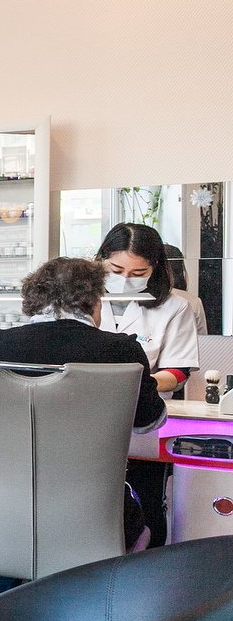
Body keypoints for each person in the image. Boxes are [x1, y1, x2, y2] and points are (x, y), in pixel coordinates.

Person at [0, 257, 164, 593]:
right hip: (91, 517)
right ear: (95, 301)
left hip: (3, 512)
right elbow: (149, 422)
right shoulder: (121, 350)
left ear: (34, 298)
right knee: (149, 511)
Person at [95, 223, 200, 548]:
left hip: (144, 423)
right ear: (100, 260)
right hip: (87, 419)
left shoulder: (174, 307)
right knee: (94, 508)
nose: (125, 279)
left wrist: (135, 385)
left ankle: (146, 571)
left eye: (138, 272)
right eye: (116, 270)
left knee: (146, 507)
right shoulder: (83, 298)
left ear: (154, 268)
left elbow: (178, 371)